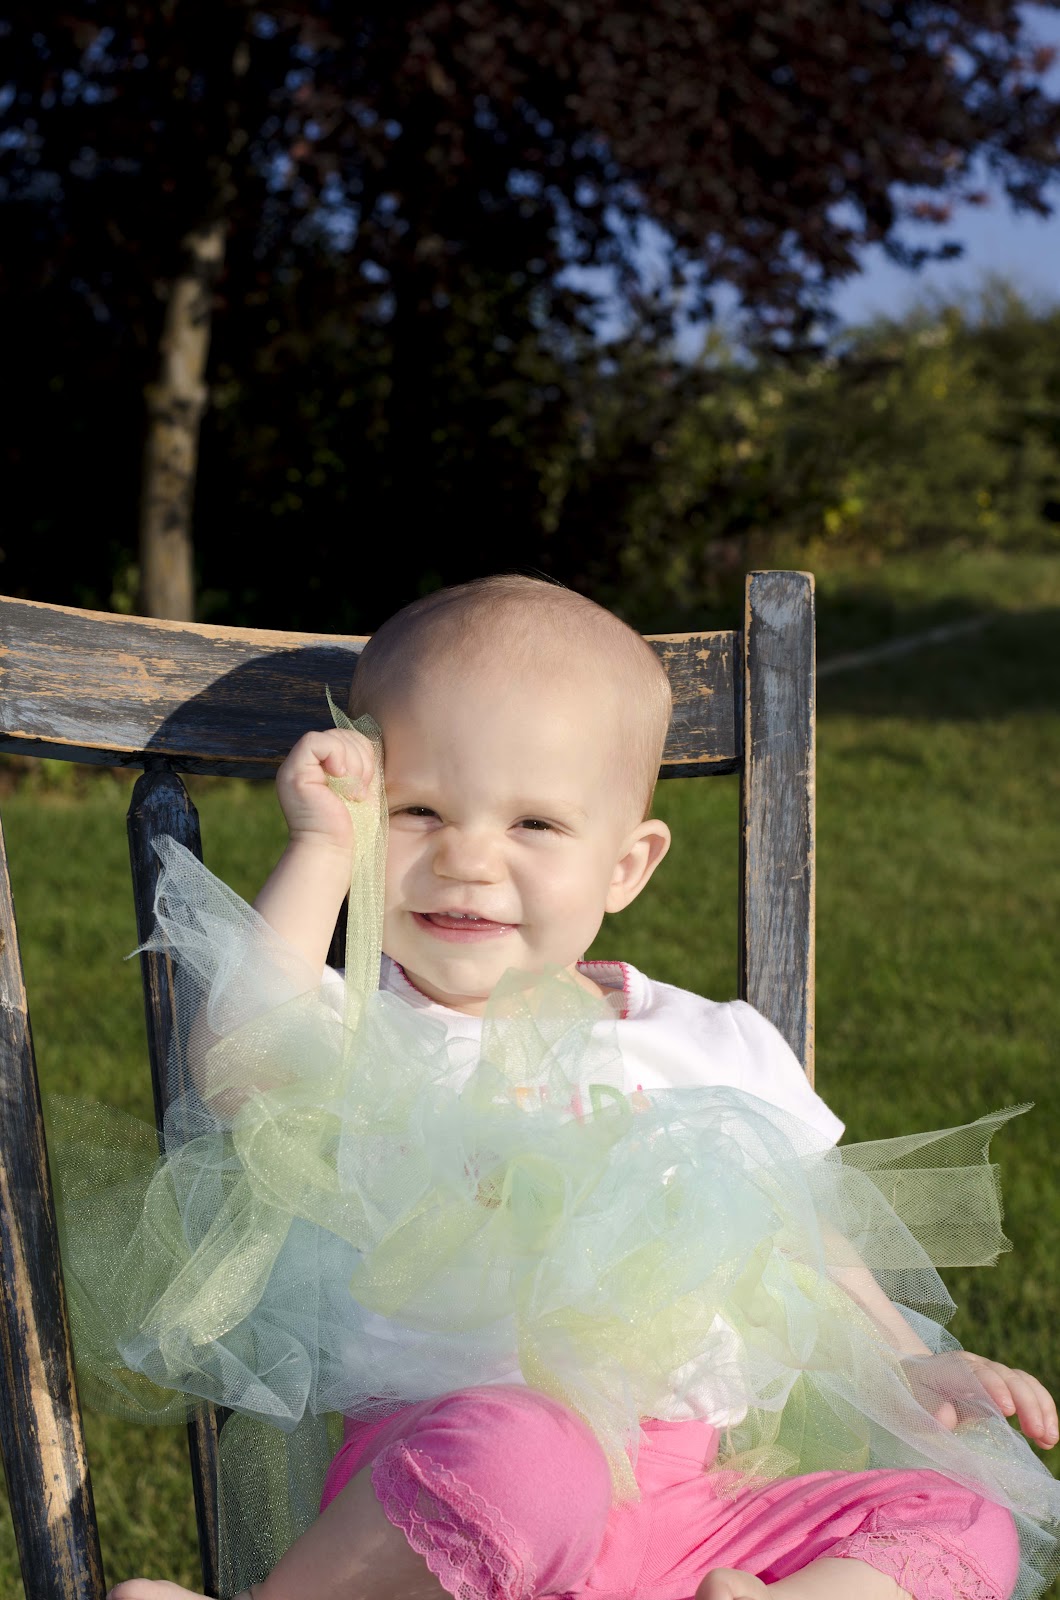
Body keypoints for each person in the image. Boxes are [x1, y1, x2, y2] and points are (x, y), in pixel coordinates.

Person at [100, 576, 1057, 1600]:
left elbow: (796, 1226)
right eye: (418, 810)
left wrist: (902, 1360)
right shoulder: (365, 1028)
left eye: (535, 825)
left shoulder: (705, 1045)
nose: (468, 858)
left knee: (961, 1517)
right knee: (530, 1452)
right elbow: (237, 1064)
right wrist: (321, 850)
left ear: (626, 866)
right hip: (461, 1486)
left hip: (687, 1508)